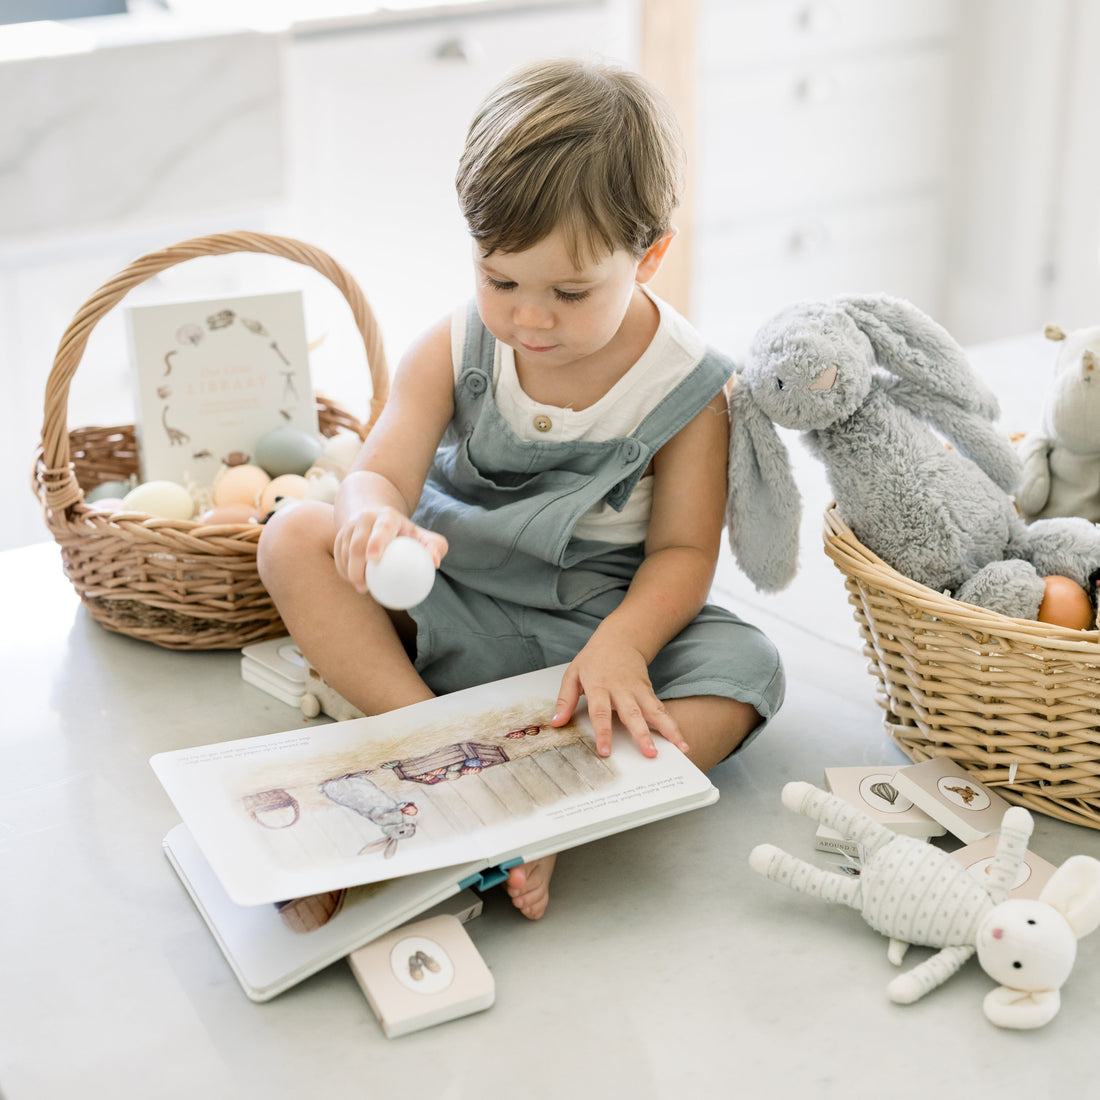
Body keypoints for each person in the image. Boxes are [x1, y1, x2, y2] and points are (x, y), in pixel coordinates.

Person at [258, 58, 785, 920]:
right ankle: (426, 741)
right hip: (450, 596)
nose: (528, 319)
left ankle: (556, 807)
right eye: (499, 279)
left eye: (569, 293)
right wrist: (374, 519)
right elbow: (378, 469)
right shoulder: (459, 341)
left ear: (649, 257)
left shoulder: (689, 388)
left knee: (744, 671)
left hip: (590, 634)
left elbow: (685, 553)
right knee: (291, 538)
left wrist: (622, 644)